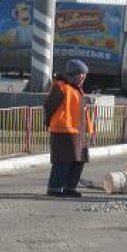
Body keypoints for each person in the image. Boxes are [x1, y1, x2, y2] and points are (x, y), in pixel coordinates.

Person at [44, 59, 94, 198]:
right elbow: (49, 106)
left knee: (79, 160)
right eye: (82, 74)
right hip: (63, 130)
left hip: (77, 131)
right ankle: (54, 188)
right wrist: (48, 122)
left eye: (85, 74)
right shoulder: (60, 87)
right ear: (73, 74)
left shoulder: (77, 89)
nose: (84, 77)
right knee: (63, 161)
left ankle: (70, 187)